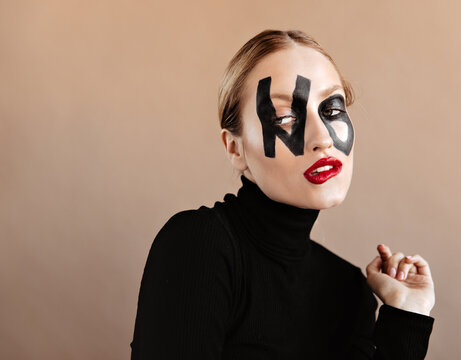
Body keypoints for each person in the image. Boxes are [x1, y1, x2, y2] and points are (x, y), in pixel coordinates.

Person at [130, 29, 435, 359]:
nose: (322, 138)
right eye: (287, 117)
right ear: (235, 149)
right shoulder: (199, 245)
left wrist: (407, 315)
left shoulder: (349, 290)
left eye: (332, 110)